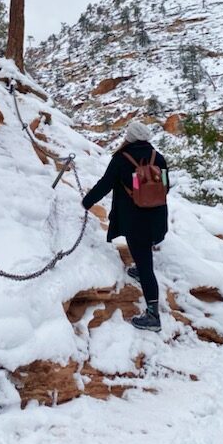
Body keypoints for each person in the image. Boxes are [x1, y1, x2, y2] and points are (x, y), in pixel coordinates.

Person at [82, 121, 170, 332]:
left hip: (135, 220)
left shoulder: (122, 159)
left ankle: (153, 316)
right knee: (144, 253)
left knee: (147, 266)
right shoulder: (157, 157)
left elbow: (105, 184)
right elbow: (166, 185)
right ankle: (139, 269)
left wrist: (86, 202)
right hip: (157, 217)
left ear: (129, 137)